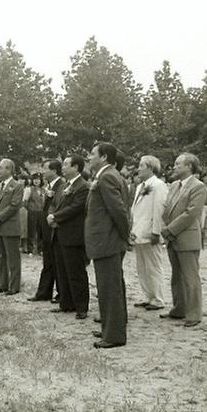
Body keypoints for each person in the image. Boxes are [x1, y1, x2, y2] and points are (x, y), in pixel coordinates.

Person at [86, 143, 130, 348]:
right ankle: (109, 327)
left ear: (103, 157)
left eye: (92, 154)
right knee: (109, 286)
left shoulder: (107, 176)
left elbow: (119, 211)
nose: (88, 157)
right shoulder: (108, 175)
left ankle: (113, 335)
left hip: (108, 240)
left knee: (109, 287)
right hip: (108, 239)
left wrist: (123, 236)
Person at [160, 153, 207, 327]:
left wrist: (170, 229)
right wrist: (165, 226)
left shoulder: (198, 186)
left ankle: (194, 314)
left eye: (178, 164)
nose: (174, 167)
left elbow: (191, 213)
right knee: (176, 275)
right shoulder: (173, 185)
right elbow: (167, 208)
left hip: (187, 236)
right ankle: (179, 308)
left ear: (189, 166)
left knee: (190, 276)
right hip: (172, 236)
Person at [47, 155, 90, 319]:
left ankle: (81, 306)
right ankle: (66, 303)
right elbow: (53, 204)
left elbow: (76, 207)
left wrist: (56, 217)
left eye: (66, 165)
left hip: (73, 235)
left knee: (76, 272)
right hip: (58, 233)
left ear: (76, 167)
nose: (62, 167)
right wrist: (51, 215)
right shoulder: (63, 186)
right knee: (62, 270)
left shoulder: (83, 187)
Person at [130, 155, 169, 312]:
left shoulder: (158, 185)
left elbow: (159, 209)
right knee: (142, 266)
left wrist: (156, 232)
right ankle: (149, 295)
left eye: (141, 165)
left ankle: (158, 298)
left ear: (151, 168)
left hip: (150, 231)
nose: (138, 169)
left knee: (153, 265)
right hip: (139, 230)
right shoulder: (140, 186)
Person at [28, 160, 64, 303]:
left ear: (54, 170)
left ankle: (61, 293)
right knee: (48, 261)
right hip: (46, 228)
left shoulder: (61, 185)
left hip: (54, 228)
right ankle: (44, 292)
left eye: (45, 168)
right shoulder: (49, 186)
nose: (43, 172)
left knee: (56, 262)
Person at [0, 158, 23, 295]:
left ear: (9, 169)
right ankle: (1, 284)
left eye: (1, 168)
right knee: (0, 257)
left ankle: (14, 286)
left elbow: (14, 206)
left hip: (10, 226)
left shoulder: (17, 186)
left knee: (13, 258)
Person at [25, 173, 44, 255]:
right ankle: (30, 250)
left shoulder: (43, 190)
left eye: (38, 179)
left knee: (41, 231)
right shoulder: (29, 189)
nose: (36, 181)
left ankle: (40, 249)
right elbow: (25, 202)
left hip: (41, 212)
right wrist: (30, 209)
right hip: (32, 212)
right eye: (35, 179)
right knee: (31, 231)